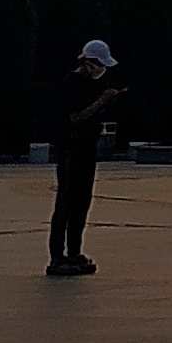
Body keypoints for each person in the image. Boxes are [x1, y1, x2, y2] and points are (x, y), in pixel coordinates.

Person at [48, 40, 124, 276]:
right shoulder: (70, 84)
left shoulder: (91, 85)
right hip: (71, 150)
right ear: (89, 62)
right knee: (66, 204)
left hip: (87, 150)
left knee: (82, 203)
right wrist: (100, 101)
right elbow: (74, 117)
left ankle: (74, 252)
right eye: (99, 65)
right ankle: (57, 256)